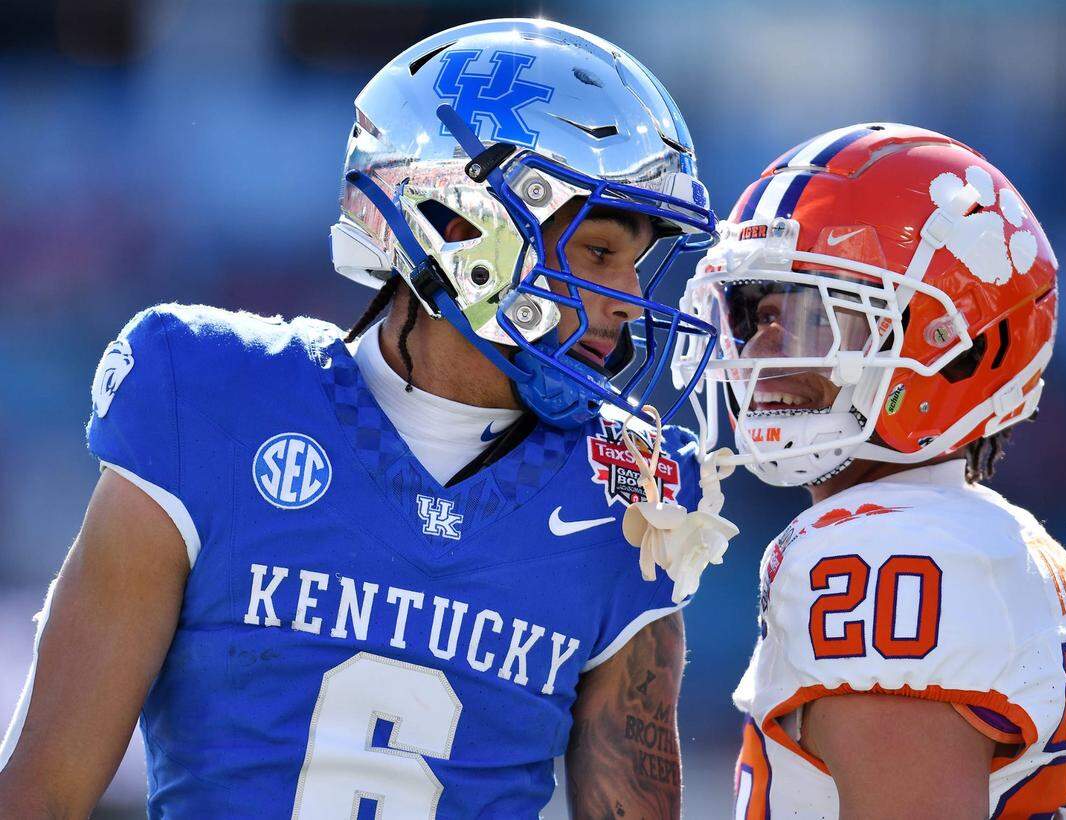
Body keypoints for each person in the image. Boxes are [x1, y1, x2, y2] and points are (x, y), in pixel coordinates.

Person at [0, 19, 723, 818]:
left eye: (637, 261)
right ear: (459, 225)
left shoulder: (624, 493)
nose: (627, 302)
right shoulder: (210, 397)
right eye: (597, 252)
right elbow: (42, 790)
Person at [673, 123, 1066, 817]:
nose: (763, 346)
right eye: (754, 313)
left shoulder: (882, 551)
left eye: (811, 315)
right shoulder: (991, 537)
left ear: (954, 346)